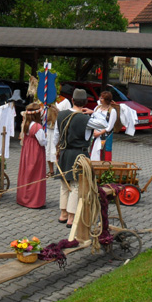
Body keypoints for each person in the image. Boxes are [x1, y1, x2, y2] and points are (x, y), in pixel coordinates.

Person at [53, 89, 106, 237]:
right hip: (78, 154)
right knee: (75, 185)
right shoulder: (85, 119)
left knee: (64, 184)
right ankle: (71, 217)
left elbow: (56, 136)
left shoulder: (61, 114)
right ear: (84, 103)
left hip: (64, 152)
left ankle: (62, 214)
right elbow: (103, 124)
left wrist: (55, 153)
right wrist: (92, 112)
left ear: (73, 100)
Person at [17, 103, 47, 209]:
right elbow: (42, 142)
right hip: (36, 152)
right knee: (36, 175)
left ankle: (23, 198)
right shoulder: (37, 126)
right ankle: (34, 200)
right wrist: (46, 139)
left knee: (26, 173)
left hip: (27, 152)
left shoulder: (26, 124)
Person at [45, 95, 71, 177]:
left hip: (59, 129)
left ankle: (60, 170)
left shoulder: (65, 101)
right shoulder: (46, 100)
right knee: (48, 150)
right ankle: (51, 170)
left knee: (57, 150)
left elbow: (68, 115)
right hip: (48, 129)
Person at [89, 91, 117, 161]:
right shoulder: (97, 108)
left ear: (106, 100)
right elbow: (92, 120)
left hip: (105, 136)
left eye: (102, 98)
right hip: (95, 134)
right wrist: (95, 131)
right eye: (100, 97)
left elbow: (109, 127)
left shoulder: (112, 111)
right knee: (94, 150)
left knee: (104, 151)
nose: (99, 99)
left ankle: (104, 169)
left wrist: (99, 133)